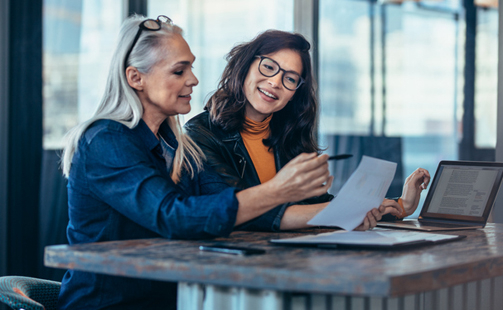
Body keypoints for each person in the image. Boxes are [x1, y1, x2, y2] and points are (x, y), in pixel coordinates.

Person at [57, 16, 384, 310]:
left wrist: (349, 212)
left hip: (176, 297)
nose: (194, 80)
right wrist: (279, 189)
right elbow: (174, 217)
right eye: (179, 71)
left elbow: (232, 205)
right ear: (135, 78)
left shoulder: (175, 144)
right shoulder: (106, 141)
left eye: (191, 68)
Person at [184, 30, 431, 229]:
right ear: (245, 66)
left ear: (294, 94)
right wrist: (347, 211)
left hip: (290, 261)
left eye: (290, 79)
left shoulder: (288, 135)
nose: (275, 82)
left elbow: (317, 205)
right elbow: (241, 211)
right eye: (269, 67)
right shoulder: (200, 134)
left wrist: (401, 205)